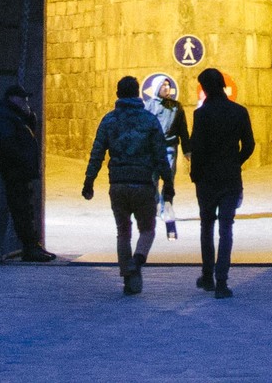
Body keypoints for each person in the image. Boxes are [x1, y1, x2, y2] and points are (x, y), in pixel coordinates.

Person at [82, 74, 174, 294]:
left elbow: (97, 153)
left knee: (123, 232)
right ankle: (138, 260)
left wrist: (89, 181)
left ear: (117, 94)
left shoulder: (109, 120)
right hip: (143, 183)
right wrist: (168, 183)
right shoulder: (150, 120)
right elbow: (161, 155)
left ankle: (128, 278)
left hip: (118, 184)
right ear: (137, 94)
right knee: (147, 229)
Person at [186, 67, 255, 297]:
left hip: (207, 180)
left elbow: (197, 148)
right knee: (226, 228)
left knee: (207, 227)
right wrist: (236, 161)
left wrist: (195, 175)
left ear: (205, 89)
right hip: (229, 178)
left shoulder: (201, 115)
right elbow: (249, 145)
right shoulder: (239, 112)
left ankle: (207, 276)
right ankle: (222, 281)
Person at [0, 83, 53, 261]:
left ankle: (32, 246)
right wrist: (20, 161)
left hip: (18, 171)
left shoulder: (14, 115)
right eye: (23, 98)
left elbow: (28, 133)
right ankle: (29, 248)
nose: (26, 101)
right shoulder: (3, 115)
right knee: (21, 210)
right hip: (12, 171)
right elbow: (6, 143)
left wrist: (29, 115)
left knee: (25, 209)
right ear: (12, 98)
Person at [139, 72, 190, 238]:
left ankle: (165, 208)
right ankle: (153, 206)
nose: (167, 88)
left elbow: (183, 130)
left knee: (168, 180)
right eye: (163, 85)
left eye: (168, 85)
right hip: (152, 149)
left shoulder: (176, 107)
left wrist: (187, 150)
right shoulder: (148, 106)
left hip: (170, 147)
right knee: (152, 179)